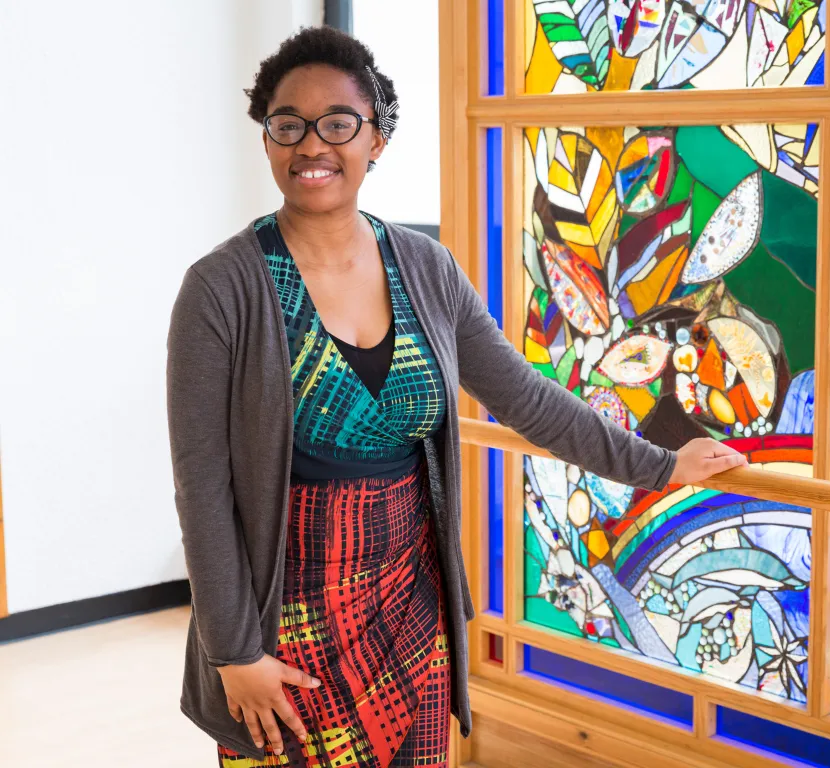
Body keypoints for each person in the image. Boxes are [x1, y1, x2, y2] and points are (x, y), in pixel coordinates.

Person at [166, 26, 747, 768]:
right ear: (268, 139)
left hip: (410, 600)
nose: (313, 145)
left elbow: (526, 397)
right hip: (287, 617)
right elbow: (202, 487)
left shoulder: (426, 267)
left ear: (376, 139)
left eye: (339, 123)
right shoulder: (220, 289)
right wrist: (233, 651)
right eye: (289, 125)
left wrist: (660, 466)